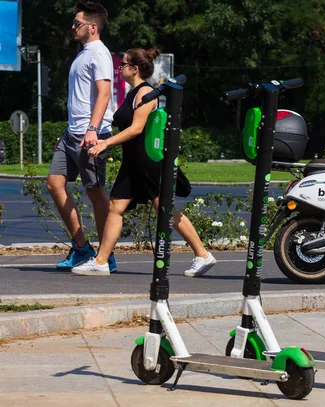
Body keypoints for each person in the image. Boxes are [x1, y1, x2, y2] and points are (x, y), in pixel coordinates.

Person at [72, 48, 217, 277]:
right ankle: (101, 261)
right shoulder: (133, 93)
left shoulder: (146, 92)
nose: (119, 69)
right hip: (133, 162)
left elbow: (137, 128)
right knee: (115, 207)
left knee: (165, 210)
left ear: (134, 69)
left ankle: (202, 254)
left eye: (123, 65)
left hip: (147, 162)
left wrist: (105, 143)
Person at [47, 1, 116, 272]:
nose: (72, 27)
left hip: (91, 135)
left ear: (92, 26)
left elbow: (104, 94)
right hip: (72, 134)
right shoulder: (83, 54)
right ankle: (81, 247)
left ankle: (106, 256)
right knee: (54, 184)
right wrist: (69, 131)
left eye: (77, 23)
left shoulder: (99, 53)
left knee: (96, 193)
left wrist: (93, 129)